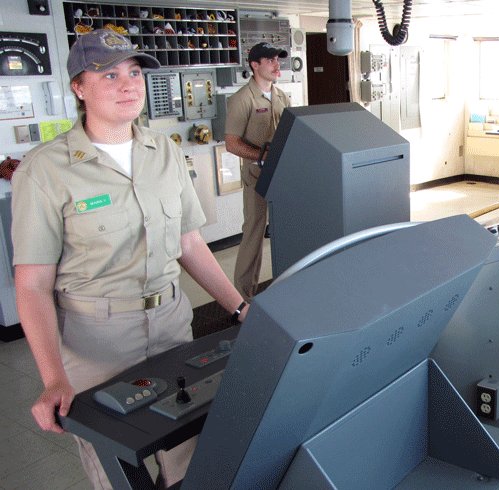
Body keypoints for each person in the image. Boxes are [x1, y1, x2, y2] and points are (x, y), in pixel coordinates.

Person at [12, 29, 250, 489]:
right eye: (109, 74)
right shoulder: (45, 170)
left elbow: (189, 243)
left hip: (172, 325)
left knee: (193, 454)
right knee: (118, 470)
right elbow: (32, 285)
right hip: (96, 343)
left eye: (135, 72)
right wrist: (54, 378)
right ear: (79, 88)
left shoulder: (163, 150)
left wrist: (239, 307)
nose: (128, 84)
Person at [224, 42, 291, 301]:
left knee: (286, 230)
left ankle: (285, 287)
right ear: (254, 65)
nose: (277, 65)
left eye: (278, 60)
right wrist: (264, 155)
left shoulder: (282, 96)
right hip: (257, 175)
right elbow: (232, 143)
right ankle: (243, 297)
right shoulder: (242, 100)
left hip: (283, 174)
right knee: (254, 231)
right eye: (271, 60)